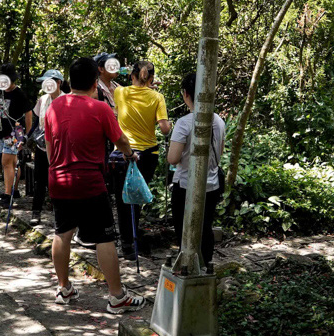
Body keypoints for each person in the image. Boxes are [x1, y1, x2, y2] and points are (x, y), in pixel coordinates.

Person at [45, 58, 145, 314]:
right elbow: (120, 139)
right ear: (94, 83)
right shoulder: (99, 108)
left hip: (58, 179)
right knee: (104, 237)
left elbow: (49, 148)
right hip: (89, 182)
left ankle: (63, 288)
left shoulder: (54, 107)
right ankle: (116, 296)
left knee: (62, 232)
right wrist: (130, 153)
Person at [167, 72, 226, 273]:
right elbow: (220, 151)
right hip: (212, 185)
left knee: (185, 229)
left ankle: (187, 268)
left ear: (186, 94)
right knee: (205, 226)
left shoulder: (184, 123)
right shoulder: (218, 120)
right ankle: (205, 265)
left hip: (185, 185)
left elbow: (173, 159)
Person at [112, 60, 172, 258]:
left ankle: (127, 245)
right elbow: (164, 129)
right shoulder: (157, 97)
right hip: (148, 155)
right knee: (136, 199)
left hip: (124, 152)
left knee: (123, 200)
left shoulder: (120, 93)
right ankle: (134, 240)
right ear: (152, 78)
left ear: (132, 76)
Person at [0, 64, 33, 207]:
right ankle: (14, 190)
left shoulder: (19, 93)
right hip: (2, 131)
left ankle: (7, 195)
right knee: (13, 162)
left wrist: (27, 134)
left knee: (6, 163)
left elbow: (28, 112)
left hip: (14, 132)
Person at [30, 69, 64, 224]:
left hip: (60, 149)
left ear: (58, 83)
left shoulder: (67, 100)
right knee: (39, 180)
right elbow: (36, 122)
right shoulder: (42, 99)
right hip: (42, 147)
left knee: (59, 181)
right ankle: (35, 213)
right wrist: (26, 137)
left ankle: (59, 215)